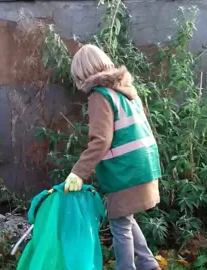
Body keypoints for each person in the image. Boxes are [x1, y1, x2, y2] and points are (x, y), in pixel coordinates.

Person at [66, 44, 161, 270]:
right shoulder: (125, 91)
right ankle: (149, 264)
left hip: (125, 171)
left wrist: (78, 172)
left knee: (120, 225)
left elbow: (101, 140)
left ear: (82, 74)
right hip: (143, 166)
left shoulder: (100, 96)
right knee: (125, 218)